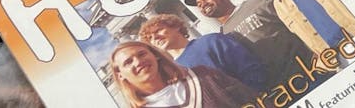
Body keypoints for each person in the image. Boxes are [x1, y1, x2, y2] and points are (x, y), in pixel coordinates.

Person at [186, 0, 313, 86]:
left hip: (308, 67)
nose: (203, 4)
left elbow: (302, 23)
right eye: (199, 5)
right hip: (279, 88)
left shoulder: (260, 3)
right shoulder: (220, 37)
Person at [138, 13, 267, 92]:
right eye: (150, 38)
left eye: (158, 31)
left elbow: (250, 69)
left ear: (176, 26)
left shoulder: (212, 41)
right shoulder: (170, 72)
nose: (155, 38)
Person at [107, 40, 252, 108]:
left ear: (155, 55)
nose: (138, 62)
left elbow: (252, 99)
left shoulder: (204, 76)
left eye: (142, 54)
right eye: (128, 62)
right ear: (120, 75)